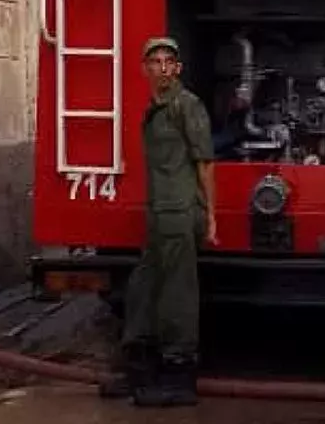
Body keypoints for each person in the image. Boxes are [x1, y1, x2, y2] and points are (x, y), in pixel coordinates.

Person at [100, 37, 217, 407]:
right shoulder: (156, 108)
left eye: (170, 61)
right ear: (145, 69)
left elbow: (205, 163)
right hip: (159, 215)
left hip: (181, 214)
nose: (163, 67)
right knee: (142, 288)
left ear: (178, 68)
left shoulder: (187, 106)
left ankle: (179, 376)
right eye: (155, 61)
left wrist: (211, 215)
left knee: (177, 295)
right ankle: (139, 370)